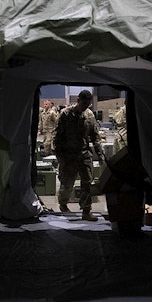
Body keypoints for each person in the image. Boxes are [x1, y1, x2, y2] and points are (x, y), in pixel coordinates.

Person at [53, 90, 104, 221]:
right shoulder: (65, 114)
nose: (86, 107)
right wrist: (60, 157)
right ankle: (63, 204)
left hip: (84, 154)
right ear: (78, 100)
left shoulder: (89, 115)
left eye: (88, 104)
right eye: (84, 104)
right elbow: (57, 137)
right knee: (67, 183)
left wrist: (100, 154)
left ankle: (86, 210)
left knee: (87, 182)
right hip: (68, 156)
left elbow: (95, 137)